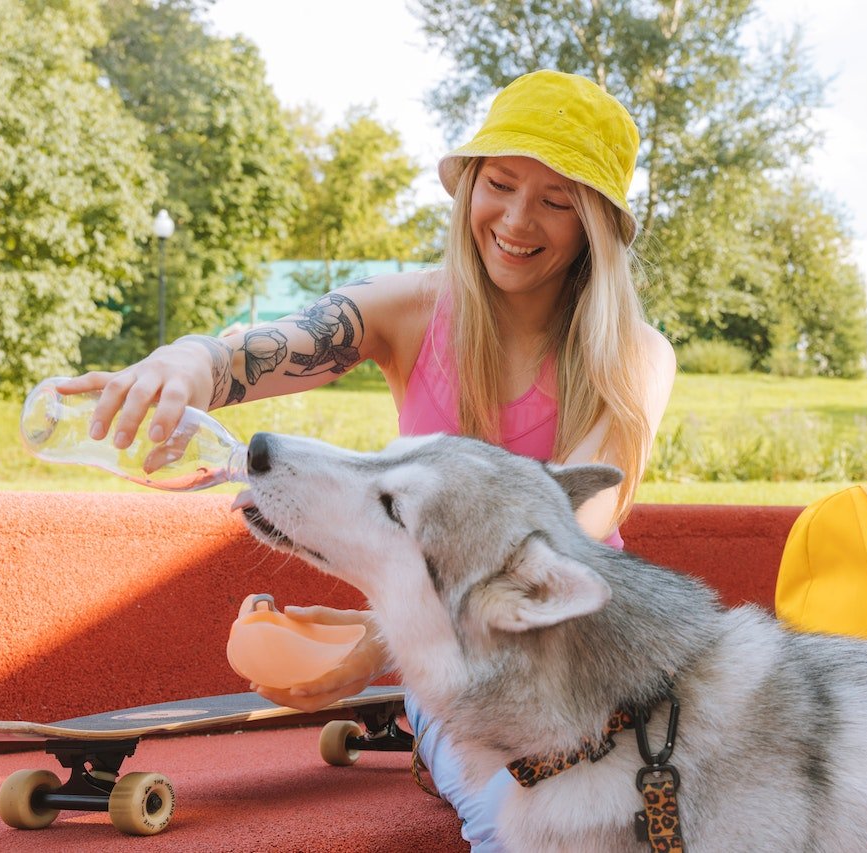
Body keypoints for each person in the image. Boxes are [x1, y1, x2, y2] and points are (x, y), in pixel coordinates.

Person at [60, 69, 675, 849]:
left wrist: (382, 634)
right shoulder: (408, 310)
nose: (518, 220)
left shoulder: (635, 355)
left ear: (594, 224)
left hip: (598, 645)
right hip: (463, 671)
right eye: (502, 183)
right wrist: (187, 363)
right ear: (470, 187)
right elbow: (261, 350)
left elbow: (574, 527)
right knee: (523, 828)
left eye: (558, 200)